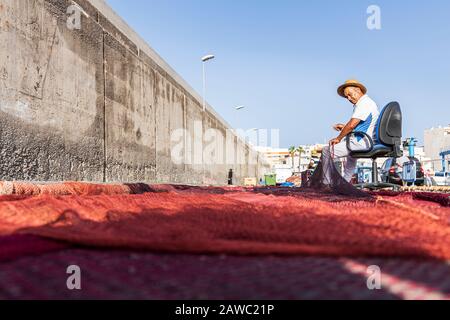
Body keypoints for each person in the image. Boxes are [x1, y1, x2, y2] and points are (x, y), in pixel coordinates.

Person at [321, 80, 380, 183]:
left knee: (326, 151)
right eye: (346, 97)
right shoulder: (367, 103)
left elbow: (352, 124)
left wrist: (338, 138)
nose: (348, 98)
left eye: (349, 94)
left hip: (361, 142)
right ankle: (344, 184)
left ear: (358, 90)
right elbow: (361, 126)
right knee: (350, 160)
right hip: (364, 140)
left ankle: (326, 183)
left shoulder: (364, 103)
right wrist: (344, 127)